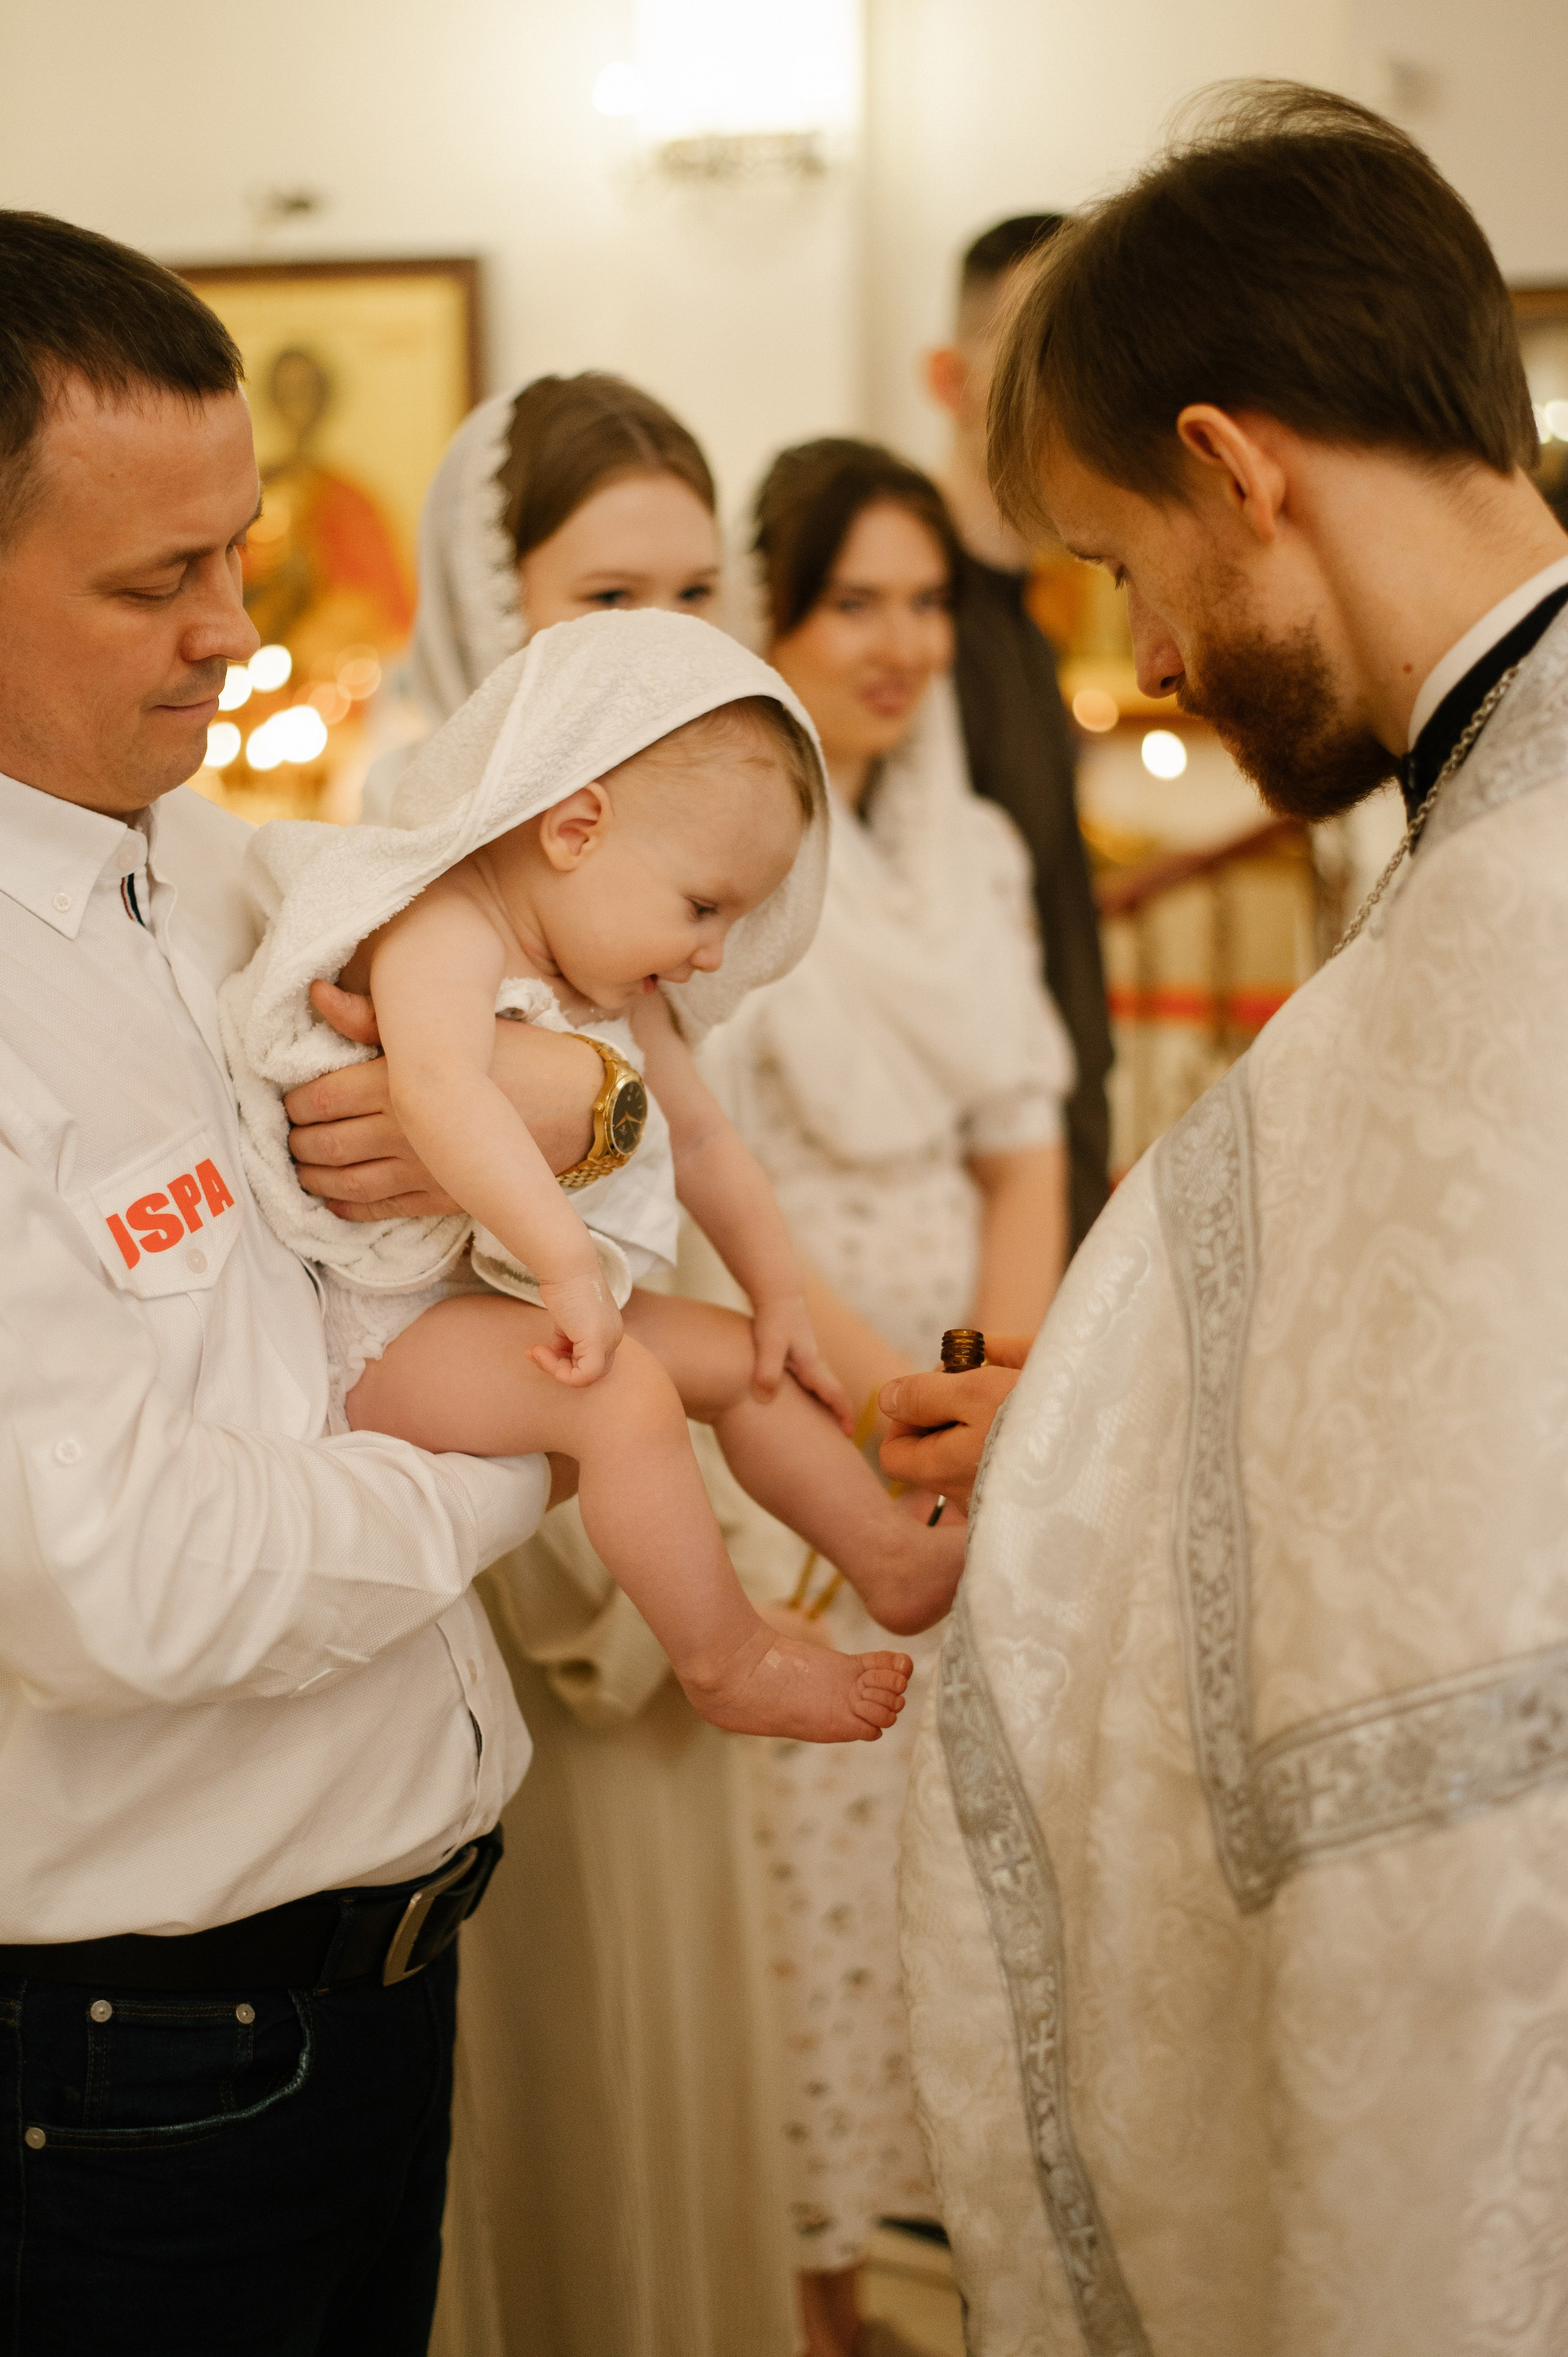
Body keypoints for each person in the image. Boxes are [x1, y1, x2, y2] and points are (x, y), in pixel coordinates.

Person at [888, 85, 1568, 2353]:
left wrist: (1077, 1478)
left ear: (1235, 464)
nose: (1149, 654)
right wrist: (1099, 1441)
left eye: (1119, 560)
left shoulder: (1506, 916)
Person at [0, 214, 606, 2356]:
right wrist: (545, 1439)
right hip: (137, 2061)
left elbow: (578, 1066)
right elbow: (125, 1579)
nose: (235, 634)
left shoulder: (222, 871)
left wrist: (581, 1105)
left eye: (238, 551)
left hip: (378, 1980)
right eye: (154, 583)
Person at [369, 375, 803, 2357]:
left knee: (680, 2014)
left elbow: (719, 1166)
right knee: (546, 2046)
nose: (658, 645)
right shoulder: (395, 866)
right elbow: (418, 1178)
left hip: (665, 1449)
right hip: (508, 1513)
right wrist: (595, 1114)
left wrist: (894, 1394)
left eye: (698, 591)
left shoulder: (696, 828)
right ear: (492, 598)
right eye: (603, 591)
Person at [227, 608, 962, 1738]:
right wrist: (569, 1262)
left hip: (490, 1306)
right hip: (383, 1334)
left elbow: (707, 1141)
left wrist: (779, 1300)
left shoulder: (607, 984)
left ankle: (882, 1555)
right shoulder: (439, 924)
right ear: (575, 830)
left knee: (735, 1359)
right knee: (624, 1400)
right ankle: (726, 1661)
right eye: (703, 907)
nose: (713, 952)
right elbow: (440, 1093)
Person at [696, 436, 1074, 2357]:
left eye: (930, 601)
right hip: (795, 1396)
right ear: (773, 612)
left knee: (945, 1858)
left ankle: (891, 2264)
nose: (904, 642)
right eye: (858, 599)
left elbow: (1024, 1143)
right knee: (800, 1878)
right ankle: (798, 2295)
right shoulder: (737, 837)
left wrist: (993, 1396)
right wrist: (874, 1426)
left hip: (953, 1409)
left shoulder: (982, 844)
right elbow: (724, 1181)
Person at [924, 215, 1113, 1250]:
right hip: (956, 1168)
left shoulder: (1032, 619)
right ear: (951, 378)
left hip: (1055, 1111)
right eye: (1038, 343)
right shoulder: (907, 628)